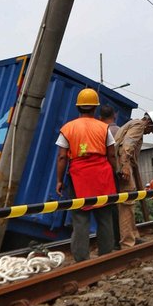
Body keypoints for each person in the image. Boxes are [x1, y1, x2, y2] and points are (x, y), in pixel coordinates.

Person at [55, 89, 116, 262]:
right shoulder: (104, 128)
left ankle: (82, 259)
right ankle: (106, 256)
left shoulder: (68, 128)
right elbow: (111, 154)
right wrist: (115, 172)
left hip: (79, 176)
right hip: (103, 175)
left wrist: (59, 180)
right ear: (95, 108)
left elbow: (61, 157)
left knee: (80, 218)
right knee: (104, 216)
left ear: (78, 107)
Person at [114, 111, 153, 247]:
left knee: (128, 202)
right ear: (149, 123)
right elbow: (127, 146)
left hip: (122, 164)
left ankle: (133, 235)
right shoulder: (139, 126)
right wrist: (124, 166)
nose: (149, 133)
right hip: (123, 164)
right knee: (127, 203)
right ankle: (127, 242)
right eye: (151, 130)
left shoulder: (132, 123)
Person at [100, 104, 121, 249]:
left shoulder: (98, 130)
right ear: (115, 115)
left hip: (100, 172)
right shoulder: (119, 131)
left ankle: (105, 242)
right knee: (115, 206)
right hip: (114, 172)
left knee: (102, 207)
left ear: (100, 117)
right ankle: (116, 241)